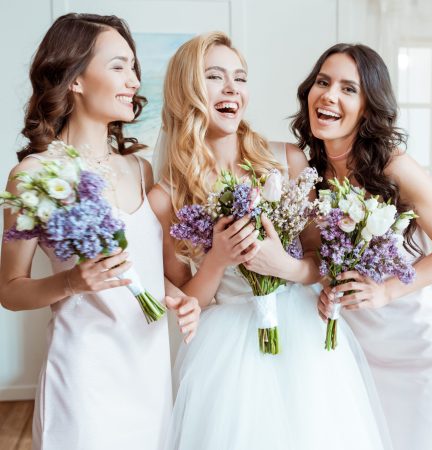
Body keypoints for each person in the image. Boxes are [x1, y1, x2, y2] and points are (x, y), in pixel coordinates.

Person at [149, 32, 393, 450]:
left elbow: (322, 260)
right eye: (214, 77)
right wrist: (217, 260)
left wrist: (286, 267)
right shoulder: (166, 196)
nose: (231, 89)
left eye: (240, 78)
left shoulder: (287, 159)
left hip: (304, 336)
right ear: (185, 89)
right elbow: (190, 301)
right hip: (226, 350)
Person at [0, 13, 200, 450]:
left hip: (148, 370)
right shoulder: (35, 175)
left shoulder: (142, 170)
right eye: (118, 66)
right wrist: (71, 281)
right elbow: (10, 290)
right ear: (74, 79)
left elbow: (145, 268)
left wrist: (180, 298)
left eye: (134, 68)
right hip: (84, 375)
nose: (133, 80)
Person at [291, 42, 432, 450]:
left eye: (349, 88)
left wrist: (388, 290)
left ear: (368, 106)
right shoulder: (309, 176)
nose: (329, 95)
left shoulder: (395, 168)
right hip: (353, 354)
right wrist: (329, 295)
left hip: (418, 353)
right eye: (323, 82)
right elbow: (323, 263)